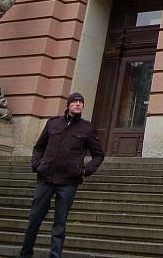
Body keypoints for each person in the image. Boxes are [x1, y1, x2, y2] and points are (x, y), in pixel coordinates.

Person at [20, 93, 104, 258]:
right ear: (68, 105)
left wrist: (85, 171)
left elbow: (98, 155)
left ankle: (55, 255)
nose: (78, 104)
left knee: (60, 223)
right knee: (34, 219)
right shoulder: (53, 123)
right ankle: (25, 254)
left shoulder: (87, 128)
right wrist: (37, 165)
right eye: (75, 102)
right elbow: (39, 147)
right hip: (45, 178)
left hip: (68, 181)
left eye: (81, 102)